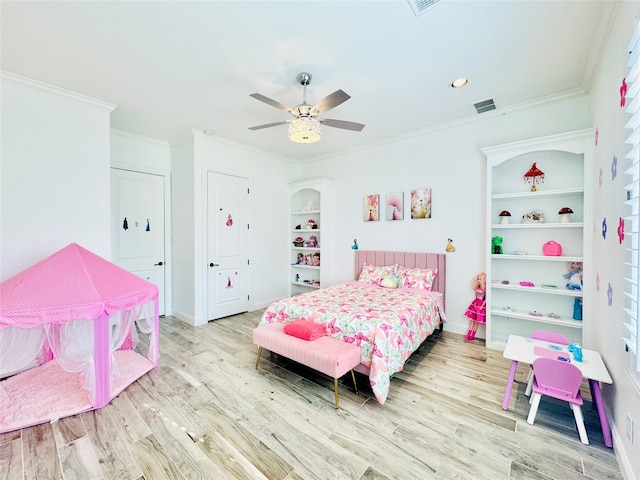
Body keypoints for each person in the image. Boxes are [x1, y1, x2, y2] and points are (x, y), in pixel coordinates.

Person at [464, 272, 486, 340]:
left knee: (476, 321)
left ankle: (472, 335)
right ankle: (468, 333)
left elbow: (486, 299)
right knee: (472, 320)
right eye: (478, 279)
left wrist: (482, 306)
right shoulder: (478, 287)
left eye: (480, 279)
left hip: (480, 304)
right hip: (475, 303)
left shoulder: (485, 288)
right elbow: (475, 289)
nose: (479, 280)